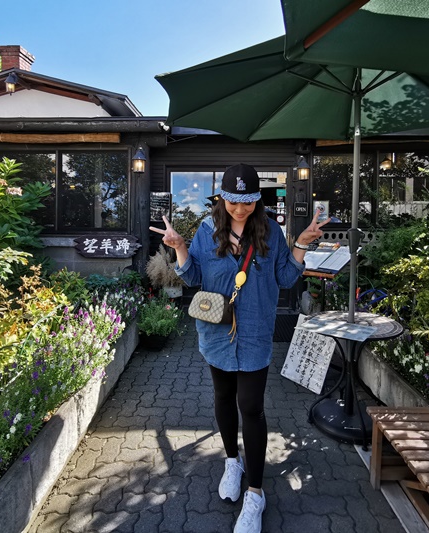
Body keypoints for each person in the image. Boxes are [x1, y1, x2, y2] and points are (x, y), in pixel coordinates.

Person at [149, 163, 328, 533]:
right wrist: (180, 247)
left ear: (256, 200)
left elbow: (286, 277)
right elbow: (194, 277)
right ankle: (233, 460)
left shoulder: (270, 231)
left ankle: (256, 493)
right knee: (222, 396)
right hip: (215, 333)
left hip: (256, 334)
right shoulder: (205, 229)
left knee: (252, 407)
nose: (240, 210)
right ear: (224, 198)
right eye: (234, 202)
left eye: (247, 202)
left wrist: (301, 245)